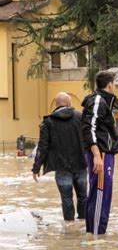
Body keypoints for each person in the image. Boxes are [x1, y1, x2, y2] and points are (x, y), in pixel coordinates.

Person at [32, 92, 87, 222]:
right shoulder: (80, 117)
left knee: (66, 198)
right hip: (81, 163)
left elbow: (43, 147)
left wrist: (36, 168)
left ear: (56, 105)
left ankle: (69, 227)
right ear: (69, 104)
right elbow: (89, 139)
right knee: (83, 196)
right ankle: (83, 224)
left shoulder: (48, 122)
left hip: (61, 166)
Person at [82, 70, 118, 235]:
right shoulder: (98, 100)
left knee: (99, 193)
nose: (116, 87)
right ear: (110, 85)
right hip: (101, 154)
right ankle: (97, 235)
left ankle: (94, 233)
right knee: (100, 194)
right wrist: (97, 155)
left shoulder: (104, 101)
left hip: (106, 153)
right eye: (115, 84)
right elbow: (89, 127)